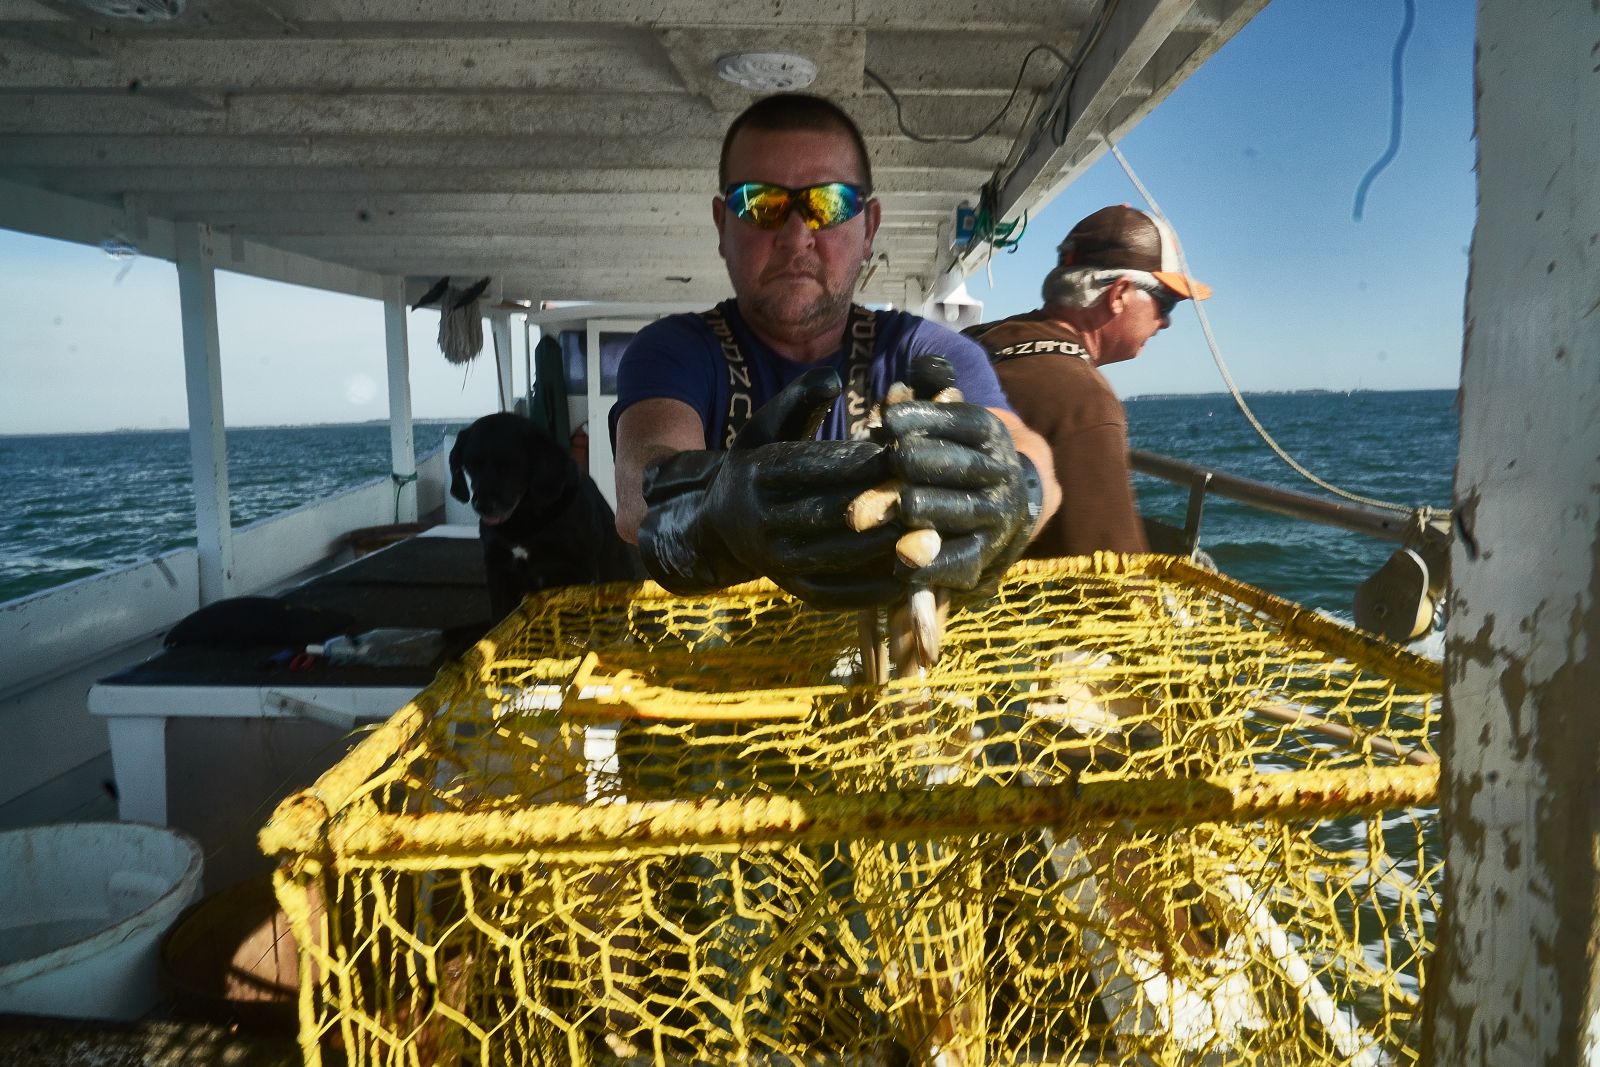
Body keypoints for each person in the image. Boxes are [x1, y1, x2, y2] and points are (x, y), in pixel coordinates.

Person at [611, 93, 1059, 607]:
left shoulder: (921, 349)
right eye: (761, 203)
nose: (796, 236)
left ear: (868, 227)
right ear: (722, 225)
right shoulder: (673, 351)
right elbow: (638, 492)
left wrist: (1018, 490)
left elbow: (1034, 456)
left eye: (830, 204)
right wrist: (715, 509)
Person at [965, 205, 1211, 557]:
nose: (1166, 323)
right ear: (1119, 295)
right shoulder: (1084, 400)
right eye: (1166, 304)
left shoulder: (980, 339)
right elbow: (1115, 579)